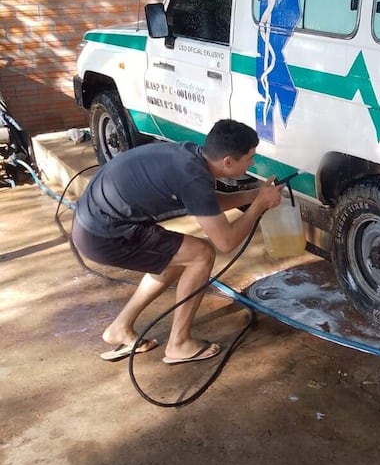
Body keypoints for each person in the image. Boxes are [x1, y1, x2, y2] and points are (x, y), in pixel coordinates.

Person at [72, 119, 283, 364]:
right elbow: (226, 242)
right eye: (249, 158)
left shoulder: (191, 156)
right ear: (227, 162)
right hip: (104, 234)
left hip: (92, 222)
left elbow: (204, 202)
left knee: (175, 256)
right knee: (201, 254)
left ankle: (120, 328)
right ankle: (179, 344)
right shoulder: (193, 177)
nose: (252, 163)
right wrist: (258, 206)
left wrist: (254, 195)